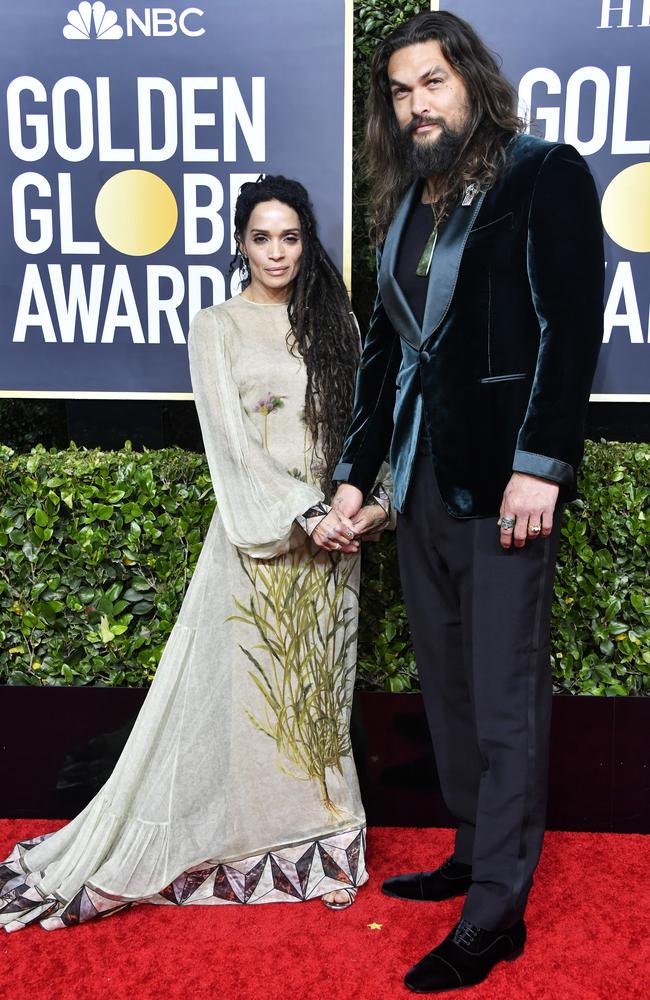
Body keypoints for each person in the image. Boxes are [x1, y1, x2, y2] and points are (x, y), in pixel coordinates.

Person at [0, 175, 392, 931]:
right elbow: (232, 450)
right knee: (247, 709)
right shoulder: (217, 325)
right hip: (263, 543)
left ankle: (331, 845)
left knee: (321, 701)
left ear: (307, 242)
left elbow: (366, 428)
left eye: (290, 237)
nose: (276, 252)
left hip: (336, 546)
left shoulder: (337, 322)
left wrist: (363, 510)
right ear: (240, 242)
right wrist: (304, 515)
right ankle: (247, 843)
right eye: (260, 237)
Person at [332, 11, 604, 993]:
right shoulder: (405, 204)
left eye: (431, 83)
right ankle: (466, 846)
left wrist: (539, 461)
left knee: (498, 698)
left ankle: (494, 911)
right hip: (421, 487)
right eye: (400, 91)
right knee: (445, 691)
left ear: (470, 82)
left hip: (504, 486)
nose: (416, 105)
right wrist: (354, 478)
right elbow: (384, 358)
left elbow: (568, 326)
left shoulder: (542, 172)